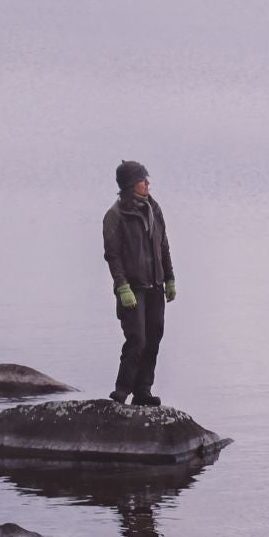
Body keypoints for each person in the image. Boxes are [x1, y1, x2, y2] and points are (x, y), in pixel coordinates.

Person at [103, 160, 176, 406]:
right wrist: (122, 287)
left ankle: (143, 391)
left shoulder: (154, 209)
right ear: (130, 185)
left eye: (147, 179)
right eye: (143, 180)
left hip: (155, 285)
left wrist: (170, 278)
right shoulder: (115, 215)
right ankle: (121, 392)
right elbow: (112, 256)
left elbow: (163, 246)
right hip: (132, 290)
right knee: (137, 339)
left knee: (154, 337)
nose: (148, 184)